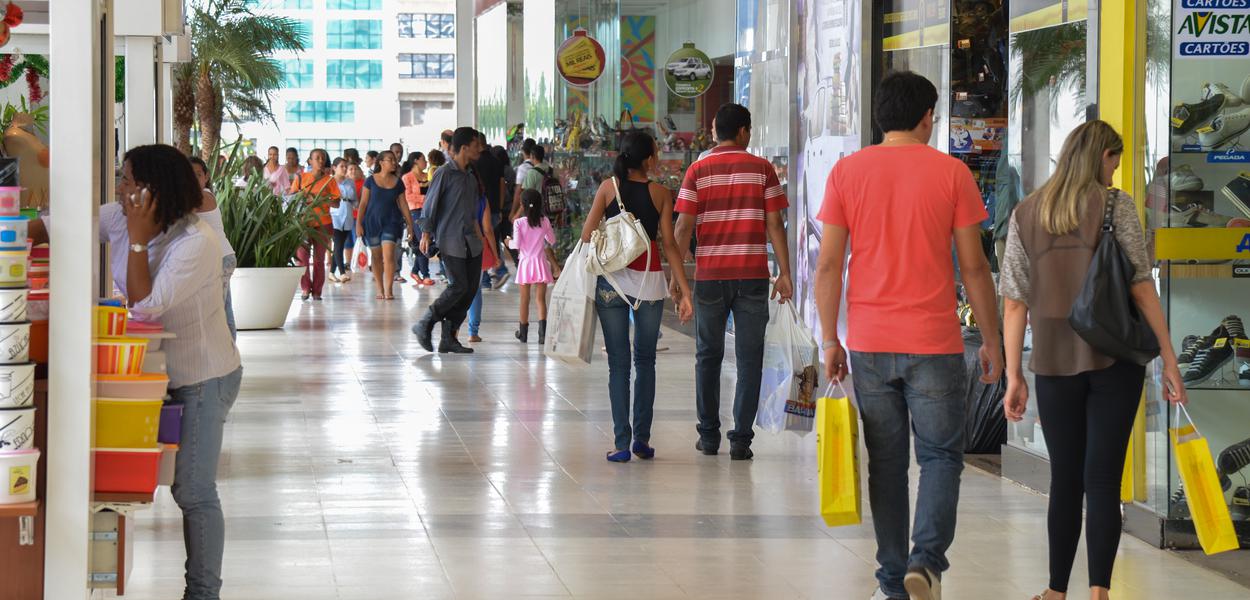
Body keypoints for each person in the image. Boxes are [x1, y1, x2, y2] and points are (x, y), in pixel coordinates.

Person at [812, 71, 1003, 600]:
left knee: (888, 464)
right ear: (925, 117)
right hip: (936, 344)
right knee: (942, 457)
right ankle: (926, 562)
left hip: (870, 343)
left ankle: (894, 582)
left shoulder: (847, 173)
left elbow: (829, 266)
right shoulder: (952, 173)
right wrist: (992, 340)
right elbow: (976, 268)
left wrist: (830, 339)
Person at [1000, 121, 1187, 600]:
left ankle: (1056, 591)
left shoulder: (1026, 213)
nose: (1114, 172)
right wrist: (1168, 356)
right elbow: (1141, 286)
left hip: (1053, 362)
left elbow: (1015, 301)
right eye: (1113, 162)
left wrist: (1012, 374)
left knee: (1066, 478)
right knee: (1103, 478)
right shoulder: (1115, 206)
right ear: (1100, 156)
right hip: (1114, 359)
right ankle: (1100, 592)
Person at [120, 145, 243, 600]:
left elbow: (145, 306)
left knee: (193, 490)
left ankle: (203, 593)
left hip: (203, 377)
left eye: (129, 180)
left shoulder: (195, 241)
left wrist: (136, 238)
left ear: (154, 189)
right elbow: (60, 224)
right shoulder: (124, 216)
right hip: (160, 374)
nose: (122, 189)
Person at [673, 103, 793, 462]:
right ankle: (741, 439)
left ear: (715, 131)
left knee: (707, 355)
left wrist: (678, 279)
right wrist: (785, 273)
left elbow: (682, 228)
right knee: (749, 358)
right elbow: (775, 225)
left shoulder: (698, 170)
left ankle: (708, 436)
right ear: (744, 131)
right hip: (752, 276)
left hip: (710, 277)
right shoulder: (762, 170)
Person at [581, 131, 694, 462]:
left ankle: (621, 444)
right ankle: (641, 440)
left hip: (612, 283)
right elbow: (670, 244)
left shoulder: (607, 188)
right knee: (646, 361)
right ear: (648, 159)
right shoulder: (661, 193)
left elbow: (588, 234)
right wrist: (684, 289)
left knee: (618, 364)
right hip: (650, 283)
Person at [413, 127, 486, 354]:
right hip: (450, 240)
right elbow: (430, 206)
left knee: (470, 290)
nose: (480, 149)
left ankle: (449, 337)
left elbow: (472, 213)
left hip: (471, 242)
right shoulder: (444, 173)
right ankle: (425, 322)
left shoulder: (470, 177)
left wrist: (481, 239)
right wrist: (426, 234)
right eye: (476, 145)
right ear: (464, 148)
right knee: (458, 287)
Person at [188, 156, 239, 338]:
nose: (193, 179)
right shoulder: (198, 195)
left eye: (198, 174)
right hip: (219, 258)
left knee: (217, 310)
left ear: (206, 176)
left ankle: (226, 352)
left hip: (220, 259)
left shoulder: (202, 196)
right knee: (224, 308)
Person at [356, 150, 415, 300]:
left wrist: (410, 225)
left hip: (392, 222)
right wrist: (358, 224)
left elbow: (403, 205)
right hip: (372, 223)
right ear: (381, 162)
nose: (394, 162)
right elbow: (362, 204)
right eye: (390, 160)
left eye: (395, 160)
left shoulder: (398, 182)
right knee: (376, 257)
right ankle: (380, 289)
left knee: (388, 256)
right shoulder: (370, 181)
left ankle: (389, 290)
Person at [290, 148, 340, 301]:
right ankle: (305, 288)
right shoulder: (300, 178)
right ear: (310, 161)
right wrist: (303, 196)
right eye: (317, 158)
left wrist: (322, 199)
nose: (320, 160)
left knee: (319, 259)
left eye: (322, 158)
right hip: (302, 224)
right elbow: (291, 198)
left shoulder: (330, 180)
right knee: (302, 259)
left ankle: (317, 291)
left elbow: (337, 203)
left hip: (323, 224)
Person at [510, 189, 554, 344]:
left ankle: (523, 333)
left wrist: (507, 241)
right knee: (540, 299)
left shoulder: (519, 223)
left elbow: (517, 245)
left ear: (522, 204)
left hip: (525, 263)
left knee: (524, 299)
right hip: (540, 262)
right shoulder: (545, 221)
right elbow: (552, 240)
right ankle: (542, 335)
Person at [474, 132, 506, 289]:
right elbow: (502, 184)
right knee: (493, 237)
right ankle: (494, 271)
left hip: (480, 205)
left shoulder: (475, 163)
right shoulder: (496, 160)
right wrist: (500, 207)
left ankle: (494, 272)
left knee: (483, 238)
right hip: (493, 205)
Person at [402, 152, 433, 286]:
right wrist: (426, 199)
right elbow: (407, 196)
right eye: (423, 159)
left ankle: (415, 270)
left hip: (428, 212)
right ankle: (425, 274)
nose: (425, 162)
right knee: (423, 241)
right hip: (415, 211)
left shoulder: (428, 176)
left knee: (427, 241)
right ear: (415, 161)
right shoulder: (407, 177)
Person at [329, 158, 358, 283]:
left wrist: (357, 205)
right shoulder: (329, 181)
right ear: (334, 167)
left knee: (339, 244)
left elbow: (354, 199)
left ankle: (331, 272)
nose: (345, 169)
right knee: (338, 243)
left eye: (346, 166)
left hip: (347, 213)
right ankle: (342, 272)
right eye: (342, 166)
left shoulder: (350, 182)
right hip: (334, 213)